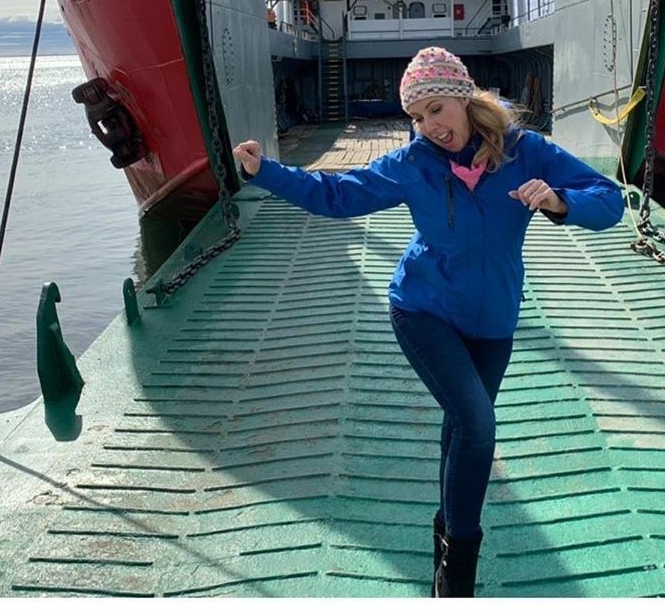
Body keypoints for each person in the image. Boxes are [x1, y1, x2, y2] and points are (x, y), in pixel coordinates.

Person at [232, 46, 624, 597]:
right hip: (423, 310)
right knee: (477, 424)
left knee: (460, 429)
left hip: (493, 322)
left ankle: (443, 536)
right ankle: (457, 577)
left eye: (435, 109)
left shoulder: (524, 151)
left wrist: (560, 202)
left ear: (464, 98)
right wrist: (264, 171)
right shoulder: (413, 164)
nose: (428, 126)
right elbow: (337, 196)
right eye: (417, 117)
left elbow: (609, 200)